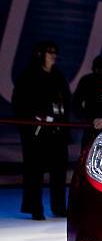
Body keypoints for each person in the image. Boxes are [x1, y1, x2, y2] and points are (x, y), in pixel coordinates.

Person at [11, 41, 71, 220]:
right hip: (36, 133)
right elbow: (19, 103)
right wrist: (35, 118)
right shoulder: (28, 76)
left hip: (57, 132)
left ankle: (59, 207)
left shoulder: (58, 76)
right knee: (34, 171)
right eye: (49, 52)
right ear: (40, 54)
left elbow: (65, 101)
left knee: (59, 171)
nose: (53, 55)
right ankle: (35, 208)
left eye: (55, 52)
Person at [73, 55, 102, 149]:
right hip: (91, 126)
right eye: (98, 68)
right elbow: (76, 104)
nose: (101, 72)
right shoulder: (86, 80)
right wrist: (88, 118)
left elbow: (76, 105)